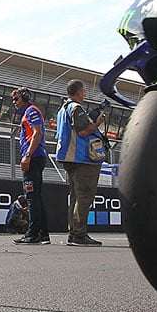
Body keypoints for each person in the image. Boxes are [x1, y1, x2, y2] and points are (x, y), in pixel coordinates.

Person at [55, 79, 106, 247]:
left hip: (69, 158)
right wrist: (97, 124)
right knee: (84, 196)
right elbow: (83, 131)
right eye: (84, 92)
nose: (84, 95)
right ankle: (79, 234)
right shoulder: (76, 108)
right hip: (82, 159)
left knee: (76, 197)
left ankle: (74, 232)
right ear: (78, 92)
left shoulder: (63, 109)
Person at [11, 87, 50, 245]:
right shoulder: (27, 113)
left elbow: (37, 133)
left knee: (31, 197)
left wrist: (27, 155)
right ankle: (43, 234)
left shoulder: (31, 111)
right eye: (13, 99)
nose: (14, 102)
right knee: (36, 198)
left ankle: (32, 234)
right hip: (36, 157)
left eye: (17, 98)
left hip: (33, 158)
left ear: (26, 97)